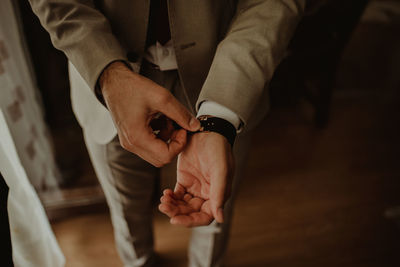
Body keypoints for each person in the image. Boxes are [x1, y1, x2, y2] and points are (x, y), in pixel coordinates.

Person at [29, 0, 305, 266]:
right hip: (105, 84)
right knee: (126, 210)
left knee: (212, 200)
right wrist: (109, 74)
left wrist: (220, 117)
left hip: (227, 76)